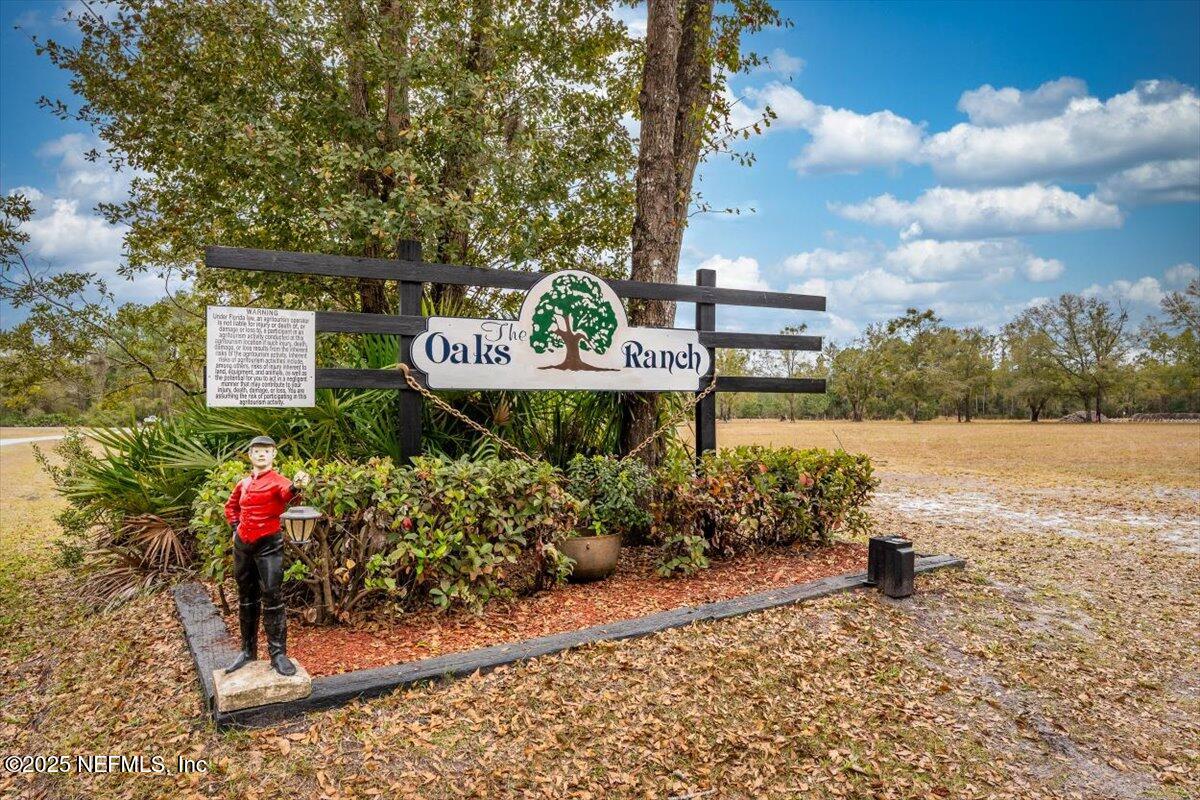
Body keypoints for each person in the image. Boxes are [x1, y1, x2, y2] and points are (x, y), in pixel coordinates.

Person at [222, 436, 310, 676]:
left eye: (267, 451)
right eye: (257, 451)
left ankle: (278, 654)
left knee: (272, 594)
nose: (261, 454)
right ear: (250, 455)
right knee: (245, 596)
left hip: (268, 545)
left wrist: (297, 487)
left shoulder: (279, 481)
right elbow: (231, 507)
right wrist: (234, 528)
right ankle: (247, 651)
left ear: (273, 455)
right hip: (243, 545)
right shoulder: (243, 483)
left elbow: (288, 495)